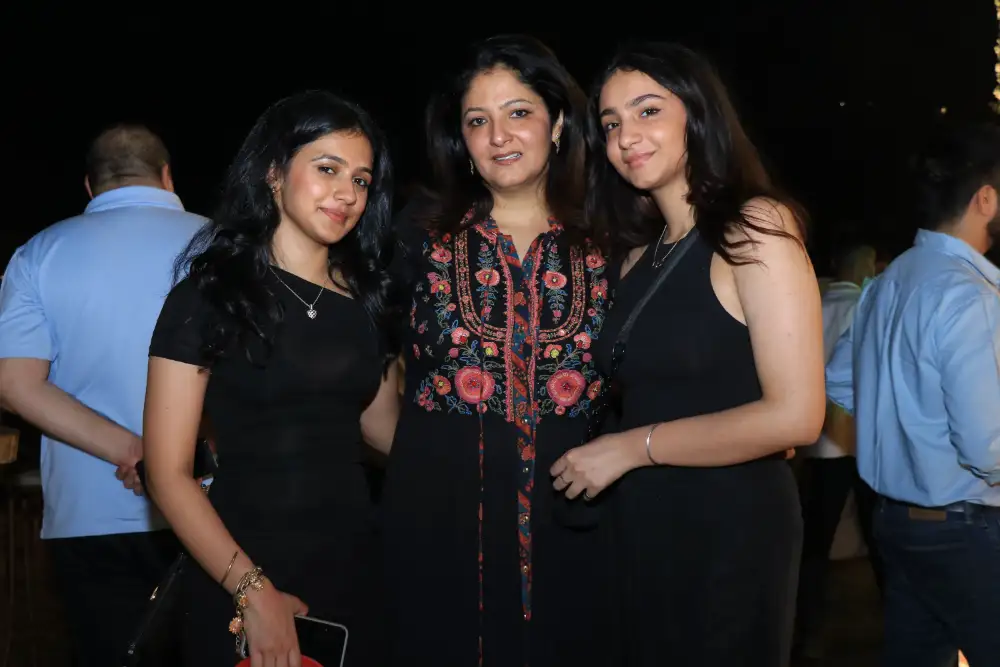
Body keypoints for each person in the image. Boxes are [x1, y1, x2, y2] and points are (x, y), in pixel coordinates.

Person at [552, 41, 825, 666]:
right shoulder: (636, 255)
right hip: (643, 522)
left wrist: (630, 448)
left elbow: (797, 416)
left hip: (728, 523)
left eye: (648, 110)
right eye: (611, 124)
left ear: (698, 113)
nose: (626, 137)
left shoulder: (755, 227)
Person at [142, 91, 399, 667]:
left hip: (358, 566)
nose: (347, 193)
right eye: (328, 169)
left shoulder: (366, 302)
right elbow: (167, 473)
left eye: (361, 180)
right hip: (242, 566)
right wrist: (253, 592)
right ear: (274, 173)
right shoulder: (209, 297)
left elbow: (385, 432)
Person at [382, 34, 613, 667]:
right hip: (442, 528)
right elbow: (360, 369)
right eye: (477, 121)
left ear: (558, 123)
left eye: (518, 112)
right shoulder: (415, 238)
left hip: (580, 528)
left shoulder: (614, 237)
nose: (498, 136)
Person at [0, 124, 205, 666]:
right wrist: (166, 459)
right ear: (167, 176)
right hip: (213, 504)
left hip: (87, 511)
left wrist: (132, 450)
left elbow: (14, 384)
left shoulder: (39, 254)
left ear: (90, 186)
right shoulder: (220, 245)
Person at [826, 123, 1000, 667]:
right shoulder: (969, 294)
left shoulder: (889, 281)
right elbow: (987, 446)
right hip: (966, 529)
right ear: (985, 198)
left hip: (897, 524)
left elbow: (838, 378)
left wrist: (905, 426)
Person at [794, 242, 881, 659]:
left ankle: (805, 623)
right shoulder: (864, 305)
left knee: (817, 536)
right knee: (875, 530)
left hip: (817, 440)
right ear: (862, 267)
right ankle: (892, 612)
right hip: (856, 441)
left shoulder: (812, 303)